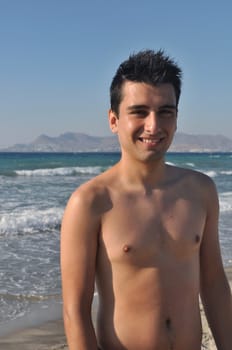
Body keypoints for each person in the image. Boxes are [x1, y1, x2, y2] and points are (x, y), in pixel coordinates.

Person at [60, 49, 232, 350]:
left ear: (176, 119)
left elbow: (215, 285)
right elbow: (75, 311)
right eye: (139, 112)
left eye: (166, 111)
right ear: (114, 120)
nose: (153, 126)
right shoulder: (90, 202)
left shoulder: (200, 191)